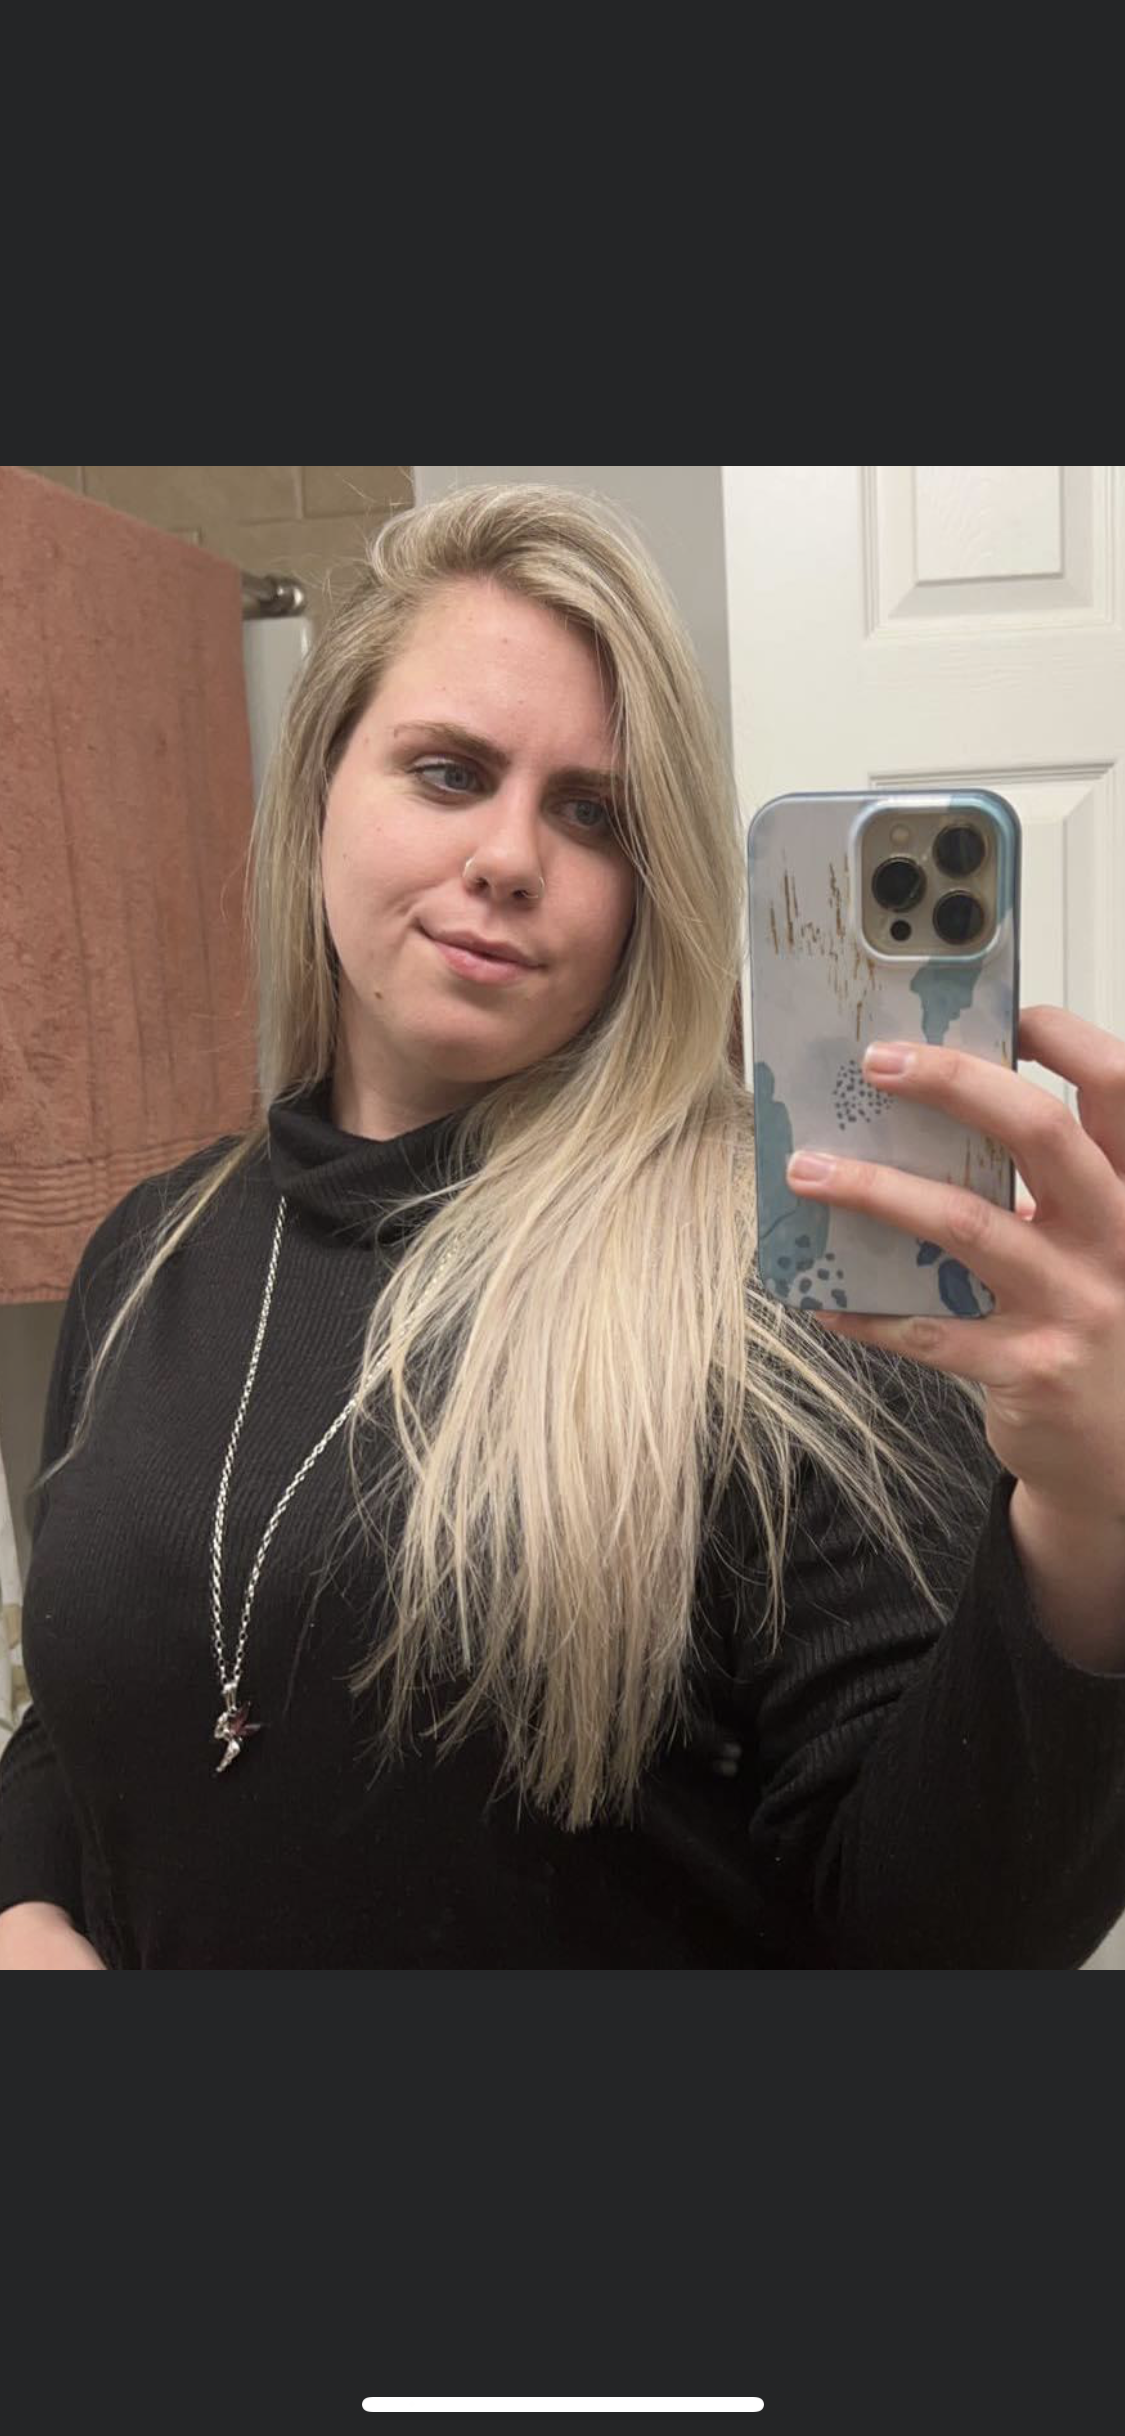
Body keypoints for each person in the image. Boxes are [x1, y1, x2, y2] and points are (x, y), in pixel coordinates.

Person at [2, 481, 1124, 1969]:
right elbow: (82, 1702)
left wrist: (1090, 1520)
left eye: (590, 813)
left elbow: (932, 1941)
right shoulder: (150, 1250)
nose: (511, 856)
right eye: (449, 772)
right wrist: (24, 1908)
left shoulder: (774, 1279)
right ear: (321, 787)